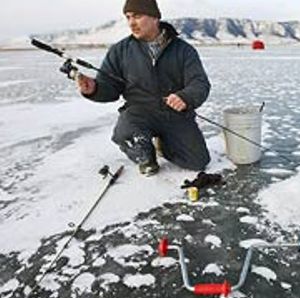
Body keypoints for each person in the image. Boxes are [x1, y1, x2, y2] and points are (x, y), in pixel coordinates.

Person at [76, 0, 211, 176]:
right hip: (139, 113)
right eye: (128, 17)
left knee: (197, 162)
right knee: (129, 137)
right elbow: (110, 87)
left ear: (155, 17)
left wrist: (185, 97)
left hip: (174, 114)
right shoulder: (120, 51)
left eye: (137, 16)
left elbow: (199, 83)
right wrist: (93, 89)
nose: (132, 23)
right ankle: (145, 154)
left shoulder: (183, 50)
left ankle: (164, 144)